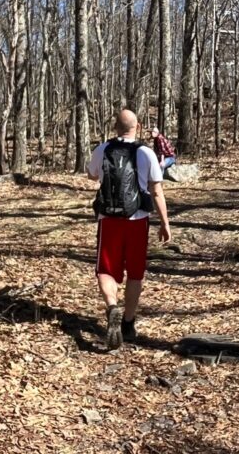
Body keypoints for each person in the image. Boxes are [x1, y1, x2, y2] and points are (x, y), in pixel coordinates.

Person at [87, 109, 172, 348]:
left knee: (106, 270)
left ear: (115, 127)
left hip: (108, 219)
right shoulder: (146, 153)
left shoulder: (103, 149)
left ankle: (112, 306)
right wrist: (165, 223)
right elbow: (156, 191)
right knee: (135, 273)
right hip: (137, 220)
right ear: (139, 126)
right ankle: (128, 323)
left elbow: (92, 175)